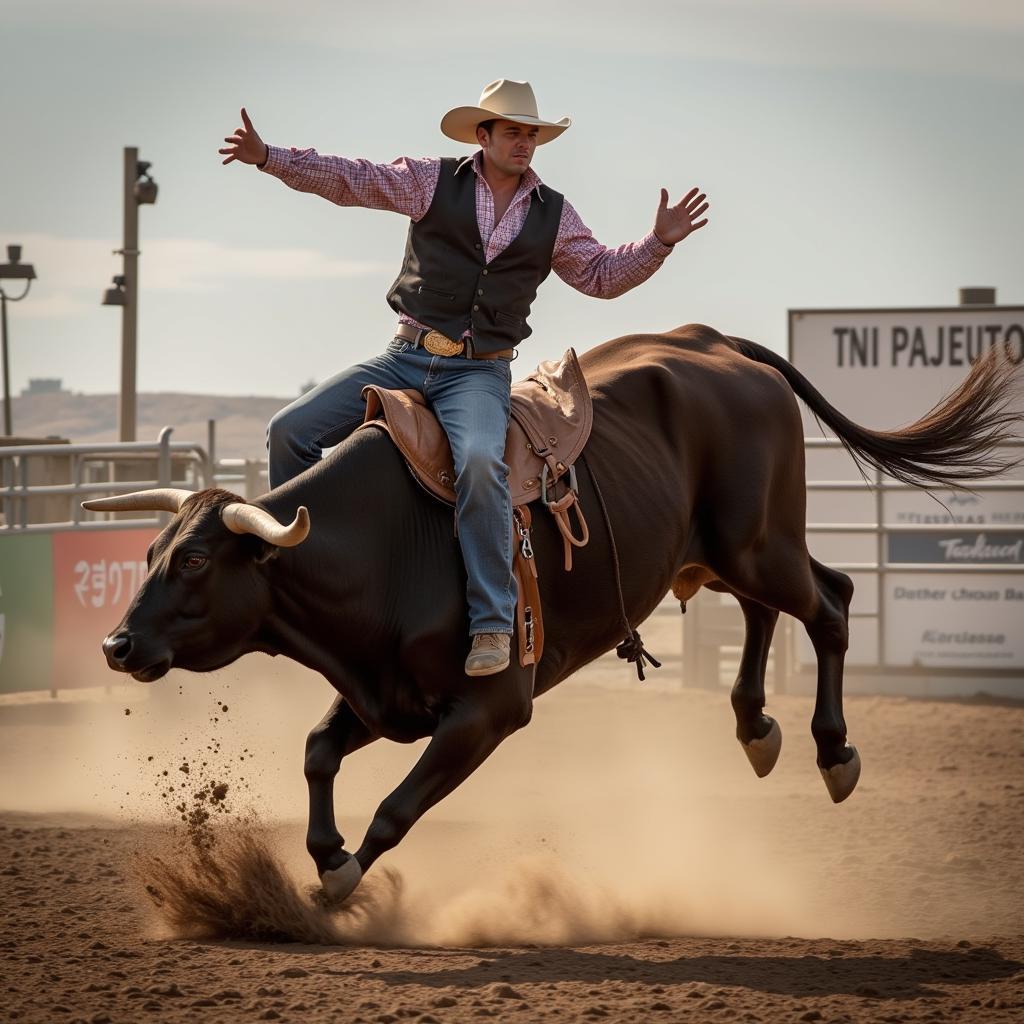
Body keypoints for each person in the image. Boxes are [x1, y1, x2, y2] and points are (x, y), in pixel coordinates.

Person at [219, 79, 709, 677]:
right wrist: (272, 159)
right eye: (513, 132)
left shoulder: (552, 212)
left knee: (481, 463)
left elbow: (600, 276)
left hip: (478, 375)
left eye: (532, 133)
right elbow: (353, 179)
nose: (524, 142)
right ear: (484, 136)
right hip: (403, 357)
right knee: (288, 430)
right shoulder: (431, 179)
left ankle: (491, 622)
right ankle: (296, 571)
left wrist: (657, 243)